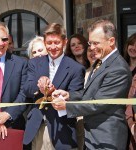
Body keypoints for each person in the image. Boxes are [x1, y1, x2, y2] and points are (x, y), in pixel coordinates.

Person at [52, 19, 132, 150]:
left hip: (106, 139)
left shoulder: (118, 69)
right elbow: (90, 93)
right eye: (90, 43)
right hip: (92, 137)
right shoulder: (100, 62)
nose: (92, 47)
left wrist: (66, 106)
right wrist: (68, 96)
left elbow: (99, 102)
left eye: (96, 43)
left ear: (111, 41)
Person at [23, 23, 85, 150]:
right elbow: (27, 88)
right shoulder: (34, 63)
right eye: (49, 43)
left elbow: (77, 97)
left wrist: (56, 93)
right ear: (45, 43)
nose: (52, 47)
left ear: (64, 42)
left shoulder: (76, 68)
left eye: (56, 42)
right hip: (38, 128)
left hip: (62, 130)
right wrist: (39, 87)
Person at [0, 21, 27, 140]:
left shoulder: (21, 63)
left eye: (4, 39)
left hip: (13, 127)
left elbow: (24, 94)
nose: (1, 43)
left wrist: (7, 115)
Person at [124, 33, 136, 149]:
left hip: (132, 117)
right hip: (120, 118)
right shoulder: (122, 67)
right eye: (131, 44)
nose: (134, 48)